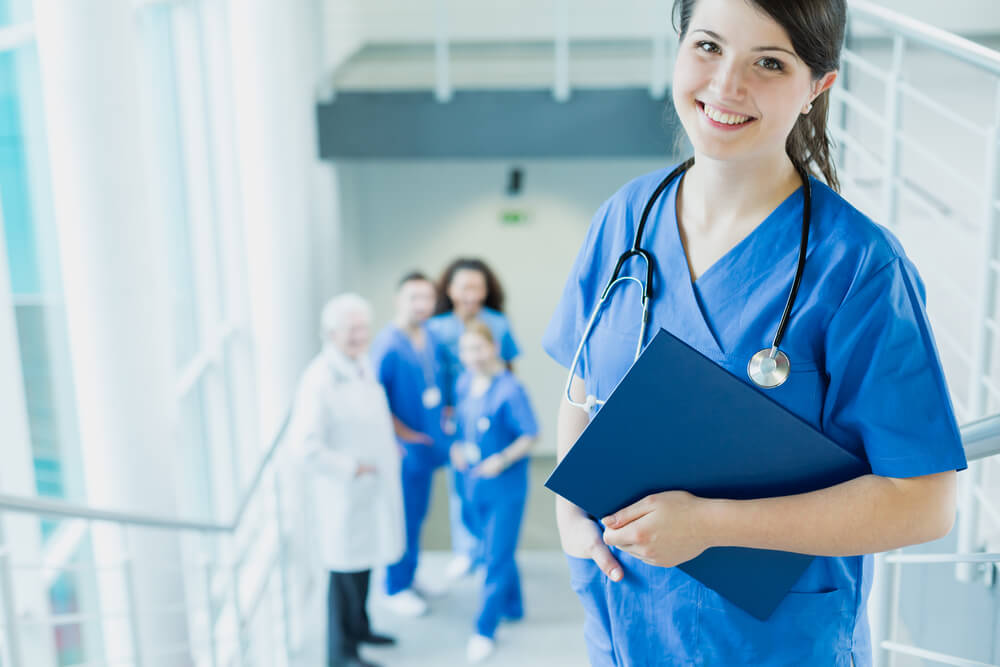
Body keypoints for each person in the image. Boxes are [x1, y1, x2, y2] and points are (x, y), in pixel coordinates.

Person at [542, 0, 968, 665]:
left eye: (769, 62)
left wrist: (714, 525)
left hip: (776, 644)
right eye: (708, 47)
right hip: (625, 625)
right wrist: (572, 514)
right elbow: (581, 382)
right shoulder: (625, 218)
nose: (726, 86)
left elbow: (925, 503)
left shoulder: (857, 267)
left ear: (816, 89)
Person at [290, 293, 404, 667]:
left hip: (370, 488)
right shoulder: (319, 379)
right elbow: (306, 447)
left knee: (363, 563)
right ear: (330, 333)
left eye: (363, 328)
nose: (360, 336)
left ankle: (360, 628)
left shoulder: (360, 364)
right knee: (343, 574)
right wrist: (350, 466)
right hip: (344, 491)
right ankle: (341, 653)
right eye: (351, 329)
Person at [428, 258, 522, 581]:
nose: (471, 294)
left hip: (492, 414)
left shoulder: (498, 323)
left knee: (492, 485)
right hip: (457, 416)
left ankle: (491, 551)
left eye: (477, 287)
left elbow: (510, 369)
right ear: (450, 290)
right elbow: (433, 376)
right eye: (464, 286)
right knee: (462, 486)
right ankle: (466, 551)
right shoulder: (437, 328)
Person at [450, 320, 538, 663]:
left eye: (478, 348)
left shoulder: (510, 389)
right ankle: (513, 605)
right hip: (471, 483)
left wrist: (501, 459)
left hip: (504, 488)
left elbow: (530, 435)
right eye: (466, 349)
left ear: (493, 349)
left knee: (495, 557)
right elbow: (460, 426)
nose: (472, 356)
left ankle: (483, 630)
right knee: (491, 547)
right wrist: (456, 446)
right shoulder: (463, 383)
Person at [370, 272, 450, 617]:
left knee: (418, 515)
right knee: (401, 517)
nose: (421, 305)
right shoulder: (388, 344)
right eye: (413, 298)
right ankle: (394, 586)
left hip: (427, 444)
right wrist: (404, 435)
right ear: (398, 300)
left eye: (427, 298)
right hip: (403, 448)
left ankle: (410, 575)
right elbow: (376, 402)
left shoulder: (429, 336)